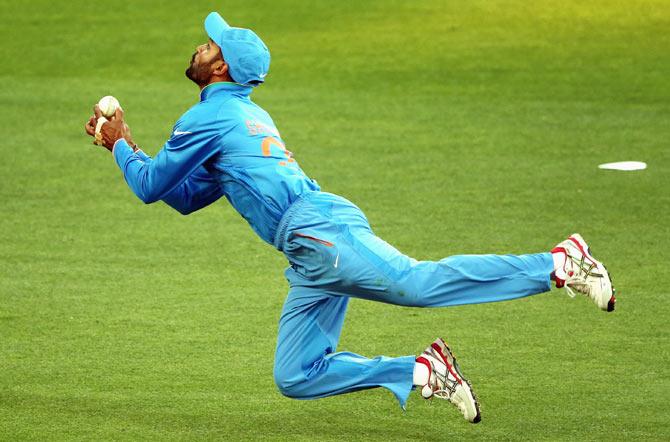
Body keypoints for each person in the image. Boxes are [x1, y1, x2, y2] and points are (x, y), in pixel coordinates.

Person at [84, 12, 616, 423]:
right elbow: (182, 197)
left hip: (318, 231)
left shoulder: (210, 114)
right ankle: (422, 371)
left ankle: (557, 263)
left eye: (210, 44)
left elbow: (152, 186)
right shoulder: (243, 113)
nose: (201, 44)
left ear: (219, 68)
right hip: (309, 247)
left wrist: (120, 146)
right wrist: (127, 148)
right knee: (295, 373)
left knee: (416, 284)